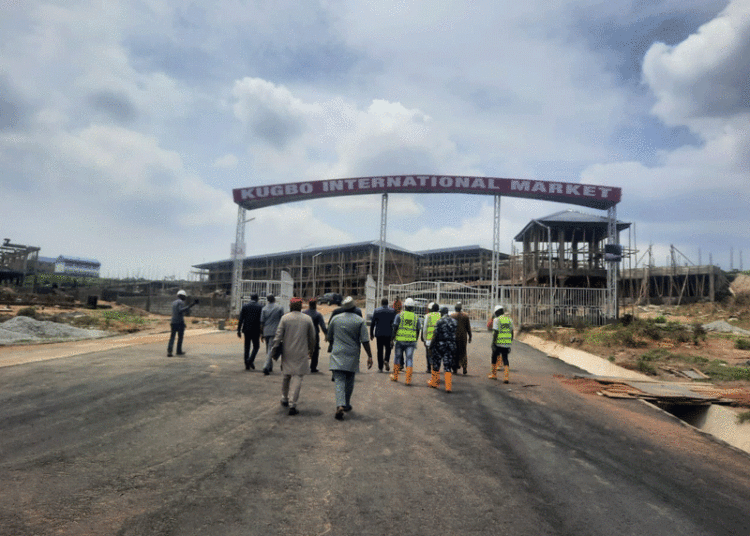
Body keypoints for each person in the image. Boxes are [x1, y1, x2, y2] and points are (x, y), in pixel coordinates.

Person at [327, 296, 373, 420]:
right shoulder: (359, 320)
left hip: (338, 353)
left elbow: (329, 336)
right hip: (352, 354)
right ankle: (346, 404)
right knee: (349, 380)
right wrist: (369, 356)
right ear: (354, 307)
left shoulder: (336, 319)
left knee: (339, 381)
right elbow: (365, 340)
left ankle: (339, 405)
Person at [270, 298, 316, 415]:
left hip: (287, 352)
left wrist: (274, 349)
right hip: (301, 352)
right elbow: (312, 337)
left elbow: (278, 336)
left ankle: (284, 398)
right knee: (297, 377)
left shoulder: (285, 318)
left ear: (290, 306)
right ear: (300, 307)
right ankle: (292, 404)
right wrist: (311, 349)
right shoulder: (307, 319)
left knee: (286, 375)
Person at [390, 297, 420, 385]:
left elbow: (395, 328)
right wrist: (416, 339)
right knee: (409, 359)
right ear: (413, 307)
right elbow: (418, 330)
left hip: (400, 340)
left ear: (405, 306)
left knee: (397, 357)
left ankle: (395, 376)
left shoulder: (399, 315)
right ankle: (408, 380)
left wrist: (392, 339)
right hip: (411, 341)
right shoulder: (416, 317)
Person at [427, 306, 458, 392]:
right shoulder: (454, 322)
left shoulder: (439, 321)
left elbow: (435, 334)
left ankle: (434, 383)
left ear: (441, 313)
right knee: (448, 365)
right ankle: (448, 387)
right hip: (450, 345)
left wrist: (431, 345)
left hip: (440, 345)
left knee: (436, 364)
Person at [167, 289, 198, 357]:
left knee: (172, 337)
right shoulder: (181, 302)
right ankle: (178, 351)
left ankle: (169, 351)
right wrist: (191, 305)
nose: (185, 298)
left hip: (173, 322)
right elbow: (180, 311)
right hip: (179, 323)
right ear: (182, 296)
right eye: (184, 296)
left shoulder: (174, 302)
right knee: (180, 337)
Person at [369, 297, 397, 372]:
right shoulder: (392, 311)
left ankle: (380, 367)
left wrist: (371, 334)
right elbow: (394, 324)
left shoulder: (377, 310)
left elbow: (372, 323)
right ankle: (386, 360)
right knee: (388, 348)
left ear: (381, 303)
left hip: (379, 334)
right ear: (387, 303)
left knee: (380, 350)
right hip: (389, 334)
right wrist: (394, 335)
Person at [237, 293, 263, 370]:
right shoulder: (260, 307)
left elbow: (241, 319)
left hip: (246, 330)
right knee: (256, 346)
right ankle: (250, 360)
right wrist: (262, 331)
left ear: (250, 298)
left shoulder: (245, 306)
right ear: (257, 299)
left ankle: (247, 364)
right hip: (256, 330)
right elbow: (261, 320)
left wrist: (238, 330)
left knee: (247, 347)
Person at [489, 305, 514, 383]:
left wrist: (493, 342)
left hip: (498, 342)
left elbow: (495, 332)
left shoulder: (497, 320)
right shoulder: (509, 319)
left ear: (496, 313)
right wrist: (510, 340)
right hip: (506, 343)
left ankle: (494, 375)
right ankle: (506, 377)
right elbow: (512, 332)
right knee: (505, 358)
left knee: (494, 357)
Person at [260, 294, 284, 375]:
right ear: (274, 299)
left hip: (266, 331)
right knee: (270, 348)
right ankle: (266, 366)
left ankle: (270, 366)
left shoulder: (264, 308)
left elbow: (262, 322)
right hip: (275, 331)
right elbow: (282, 320)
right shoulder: (279, 308)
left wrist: (261, 333)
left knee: (268, 348)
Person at [303, 299, 327, 373]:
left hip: (305, 333)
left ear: (309, 304)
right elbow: (322, 326)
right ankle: (313, 367)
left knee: (304, 349)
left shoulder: (304, 313)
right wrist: (326, 334)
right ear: (315, 305)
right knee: (315, 350)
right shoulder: (318, 314)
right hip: (314, 334)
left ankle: (303, 366)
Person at [451, 302, 473, 375]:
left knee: (454, 352)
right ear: (461, 308)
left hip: (454, 337)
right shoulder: (465, 316)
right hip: (463, 337)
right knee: (463, 352)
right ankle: (464, 367)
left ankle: (455, 369)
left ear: (455, 308)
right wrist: (470, 336)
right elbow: (468, 327)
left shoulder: (452, 316)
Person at [421, 302, 441, 373]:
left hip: (429, 339)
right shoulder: (440, 315)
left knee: (429, 354)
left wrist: (424, 338)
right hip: (439, 340)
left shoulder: (427, 316)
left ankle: (429, 368)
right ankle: (436, 368)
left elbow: (425, 328)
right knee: (437, 355)